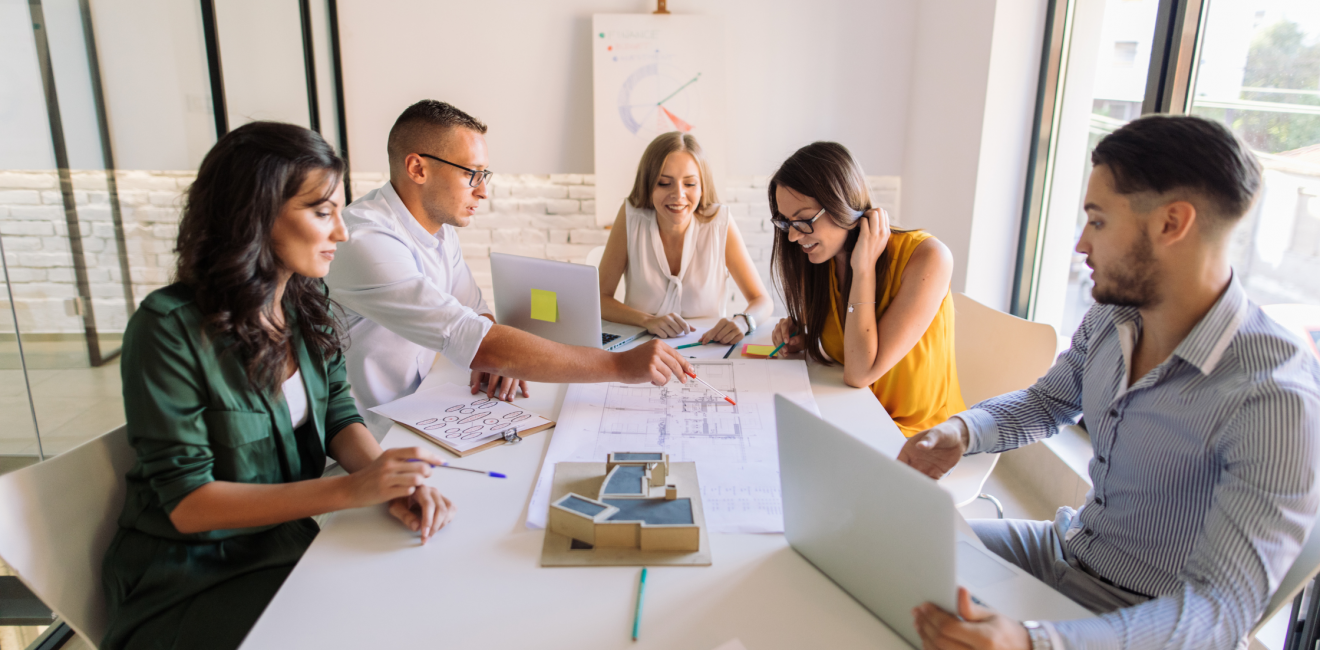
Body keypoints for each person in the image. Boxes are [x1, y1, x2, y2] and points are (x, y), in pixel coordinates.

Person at [901, 115, 1320, 649]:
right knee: (889, 547)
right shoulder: (1114, 317)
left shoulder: (1275, 397)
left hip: (1141, 614)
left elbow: (1220, 609)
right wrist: (961, 432)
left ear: (1172, 224)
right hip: (1064, 549)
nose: (1080, 244)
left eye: (1097, 221)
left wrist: (1036, 643)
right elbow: (1047, 402)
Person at [101, 122, 456, 650]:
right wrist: (349, 490)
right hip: (189, 579)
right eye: (321, 211)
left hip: (285, 546)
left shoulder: (305, 308)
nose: (342, 231)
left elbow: (339, 416)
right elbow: (189, 504)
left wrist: (386, 479)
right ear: (256, 215)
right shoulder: (167, 329)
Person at [323, 100, 691, 435]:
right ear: (418, 168)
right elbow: (475, 336)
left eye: (486, 175)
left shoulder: (438, 230)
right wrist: (621, 367)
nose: (483, 191)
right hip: (368, 437)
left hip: (424, 411)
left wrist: (494, 354)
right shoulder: (365, 241)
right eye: (472, 173)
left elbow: (476, 311)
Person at [767, 142, 965, 436]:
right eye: (786, 222)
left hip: (918, 438)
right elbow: (847, 347)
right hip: (852, 417)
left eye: (804, 220)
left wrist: (863, 269)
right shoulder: (822, 260)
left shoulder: (928, 258)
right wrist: (803, 334)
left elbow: (860, 373)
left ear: (841, 202)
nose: (794, 236)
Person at [597, 132, 772, 343]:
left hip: (707, 348)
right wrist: (648, 320)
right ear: (648, 183)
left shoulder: (719, 222)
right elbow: (599, 299)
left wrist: (744, 321)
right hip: (642, 349)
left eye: (689, 184)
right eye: (664, 183)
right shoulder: (631, 216)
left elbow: (762, 300)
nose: (678, 195)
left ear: (702, 187)